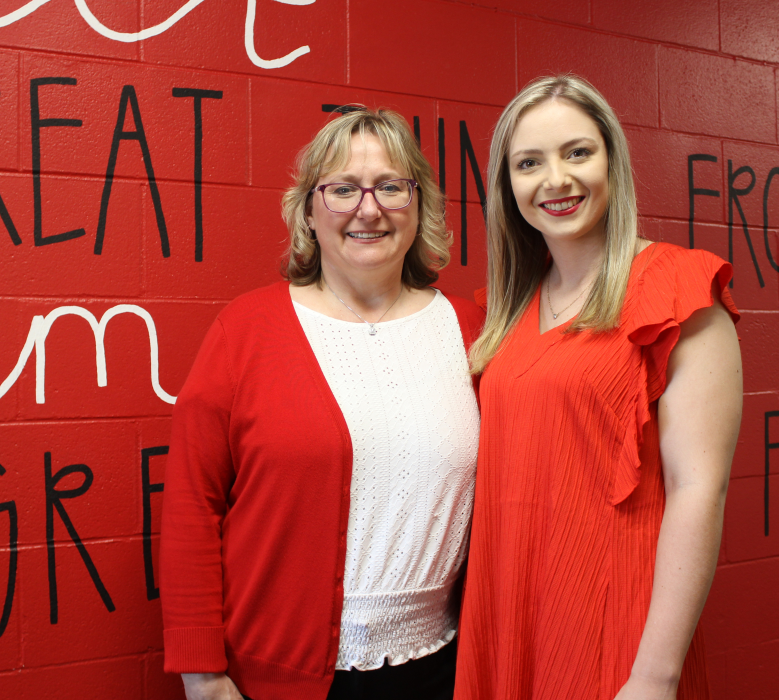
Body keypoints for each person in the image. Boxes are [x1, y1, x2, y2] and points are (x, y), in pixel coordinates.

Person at [160, 107, 484, 700]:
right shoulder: (246, 330)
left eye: (391, 186)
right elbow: (192, 503)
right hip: (274, 677)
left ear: (420, 205)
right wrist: (202, 674)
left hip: (443, 670)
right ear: (308, 210)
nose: (369, 208)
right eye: (342, 189)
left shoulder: (473, 330)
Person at [453, 75, 742, 700]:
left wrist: (654, 675)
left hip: (619, 624)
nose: (555, 180)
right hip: (509, 615)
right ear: (508, 186)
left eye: (577, 152)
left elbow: (700, 490)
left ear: (613, 159)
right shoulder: (508, 313)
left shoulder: (677, 288)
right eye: (529, 163)